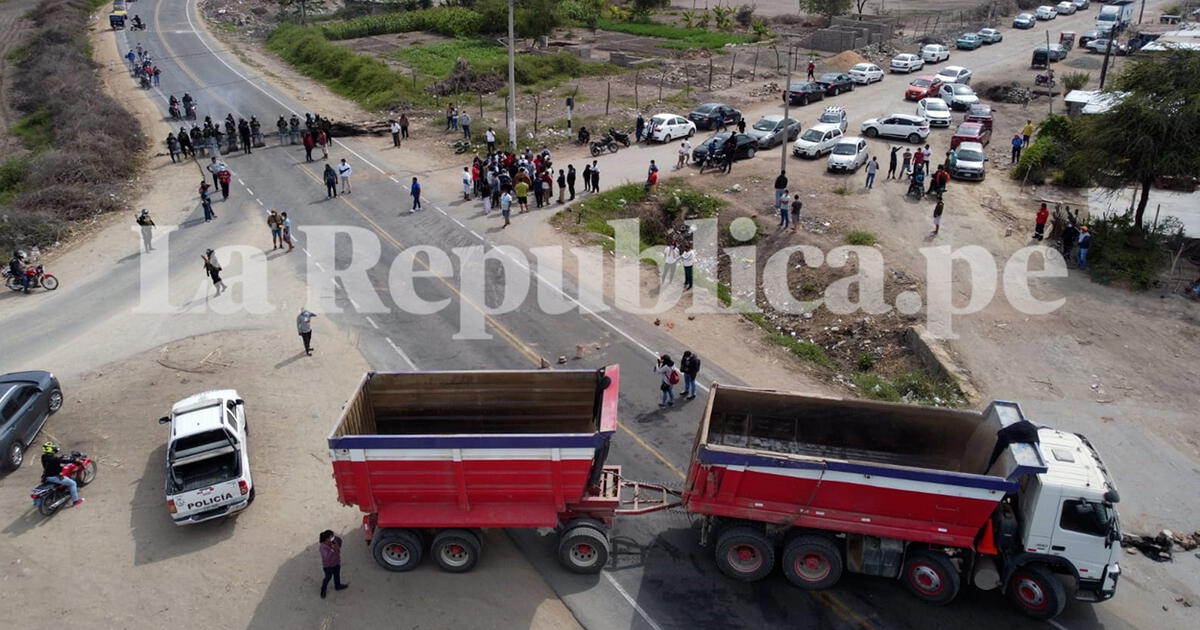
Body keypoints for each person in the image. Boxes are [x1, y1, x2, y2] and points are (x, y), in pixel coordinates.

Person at [41, 442, 84, 507]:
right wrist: (74, 460)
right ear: (51, 450)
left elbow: (57, 461)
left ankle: (64, 490)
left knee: (65, 477)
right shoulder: (54, 459)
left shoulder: (44, 456)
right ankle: (75, 501)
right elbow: (64, 461)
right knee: (73, 483)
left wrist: (61, 458)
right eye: (54, 448)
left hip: (47, 476)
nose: (55, 449)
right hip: (54, 477)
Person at [318, 530, 348, 598]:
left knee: (337, 575)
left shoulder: (334, 541)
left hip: (336, 563)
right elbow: (326, 558)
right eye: (331, 537)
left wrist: (336, 539)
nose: (333, 538)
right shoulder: (322, 547)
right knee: (328, 577)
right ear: (326, 539)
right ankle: (323, 590)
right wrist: (332, 549)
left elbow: (340, 543)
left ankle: (338, 586)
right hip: (328, 566)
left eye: (333, 536)